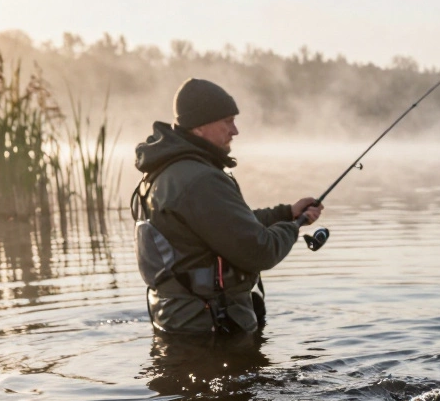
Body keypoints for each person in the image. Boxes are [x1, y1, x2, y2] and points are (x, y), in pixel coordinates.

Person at [132, 78, 322, 335]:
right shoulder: (200, 180)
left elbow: (224, 225)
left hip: (179, 321)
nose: (235, 131)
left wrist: (286, 213)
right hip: (210, 329)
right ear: (199, 127)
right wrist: (293, 227)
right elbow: (260, 250)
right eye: (227, 121)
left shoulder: (165, 171)